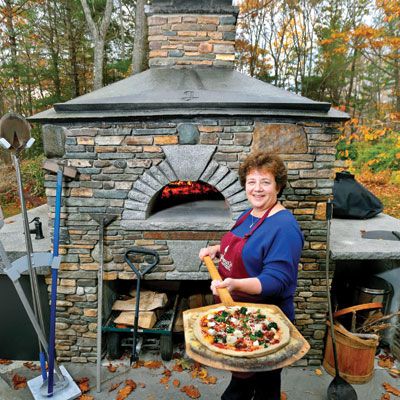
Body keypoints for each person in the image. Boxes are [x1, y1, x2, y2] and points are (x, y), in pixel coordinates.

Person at [199, 152, 304, 400]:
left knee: (263, 388)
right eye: (251, 182)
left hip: (265, 324)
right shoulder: (249, 214)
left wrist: (233, 284)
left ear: (278, 185)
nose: (257, 189)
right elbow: (241, 249)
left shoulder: (284, 227)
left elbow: (276, 281)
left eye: (265, 182)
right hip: (240, 317)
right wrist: (216, 250)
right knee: (247, 383)